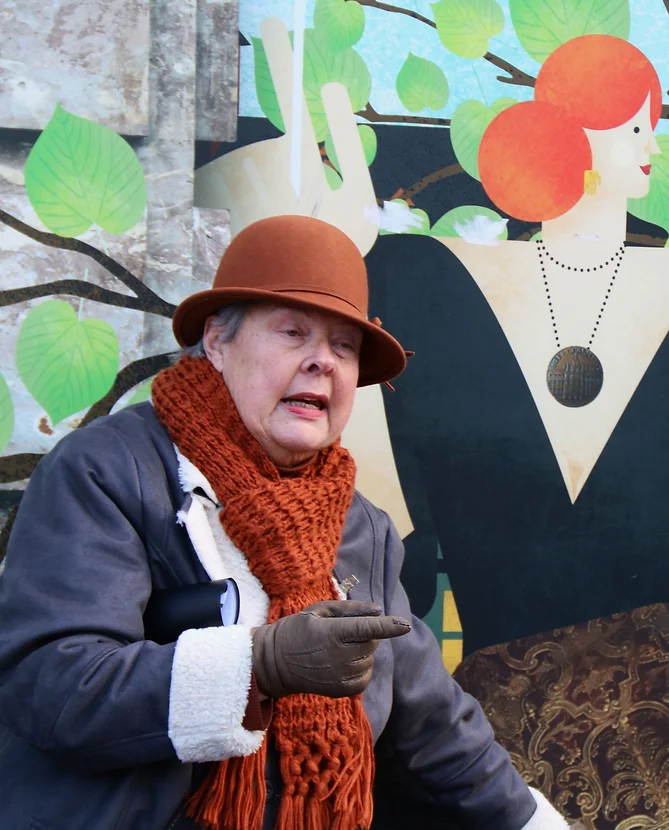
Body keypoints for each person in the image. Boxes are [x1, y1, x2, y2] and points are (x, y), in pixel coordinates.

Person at [0, 215, 572, 829]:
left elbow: (433, 726)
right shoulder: (107, 471)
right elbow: (52, 686)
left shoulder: (365, 527)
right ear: (218, 342)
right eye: (293, 333)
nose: (322, 361)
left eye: (344, 347)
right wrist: (258, 664)